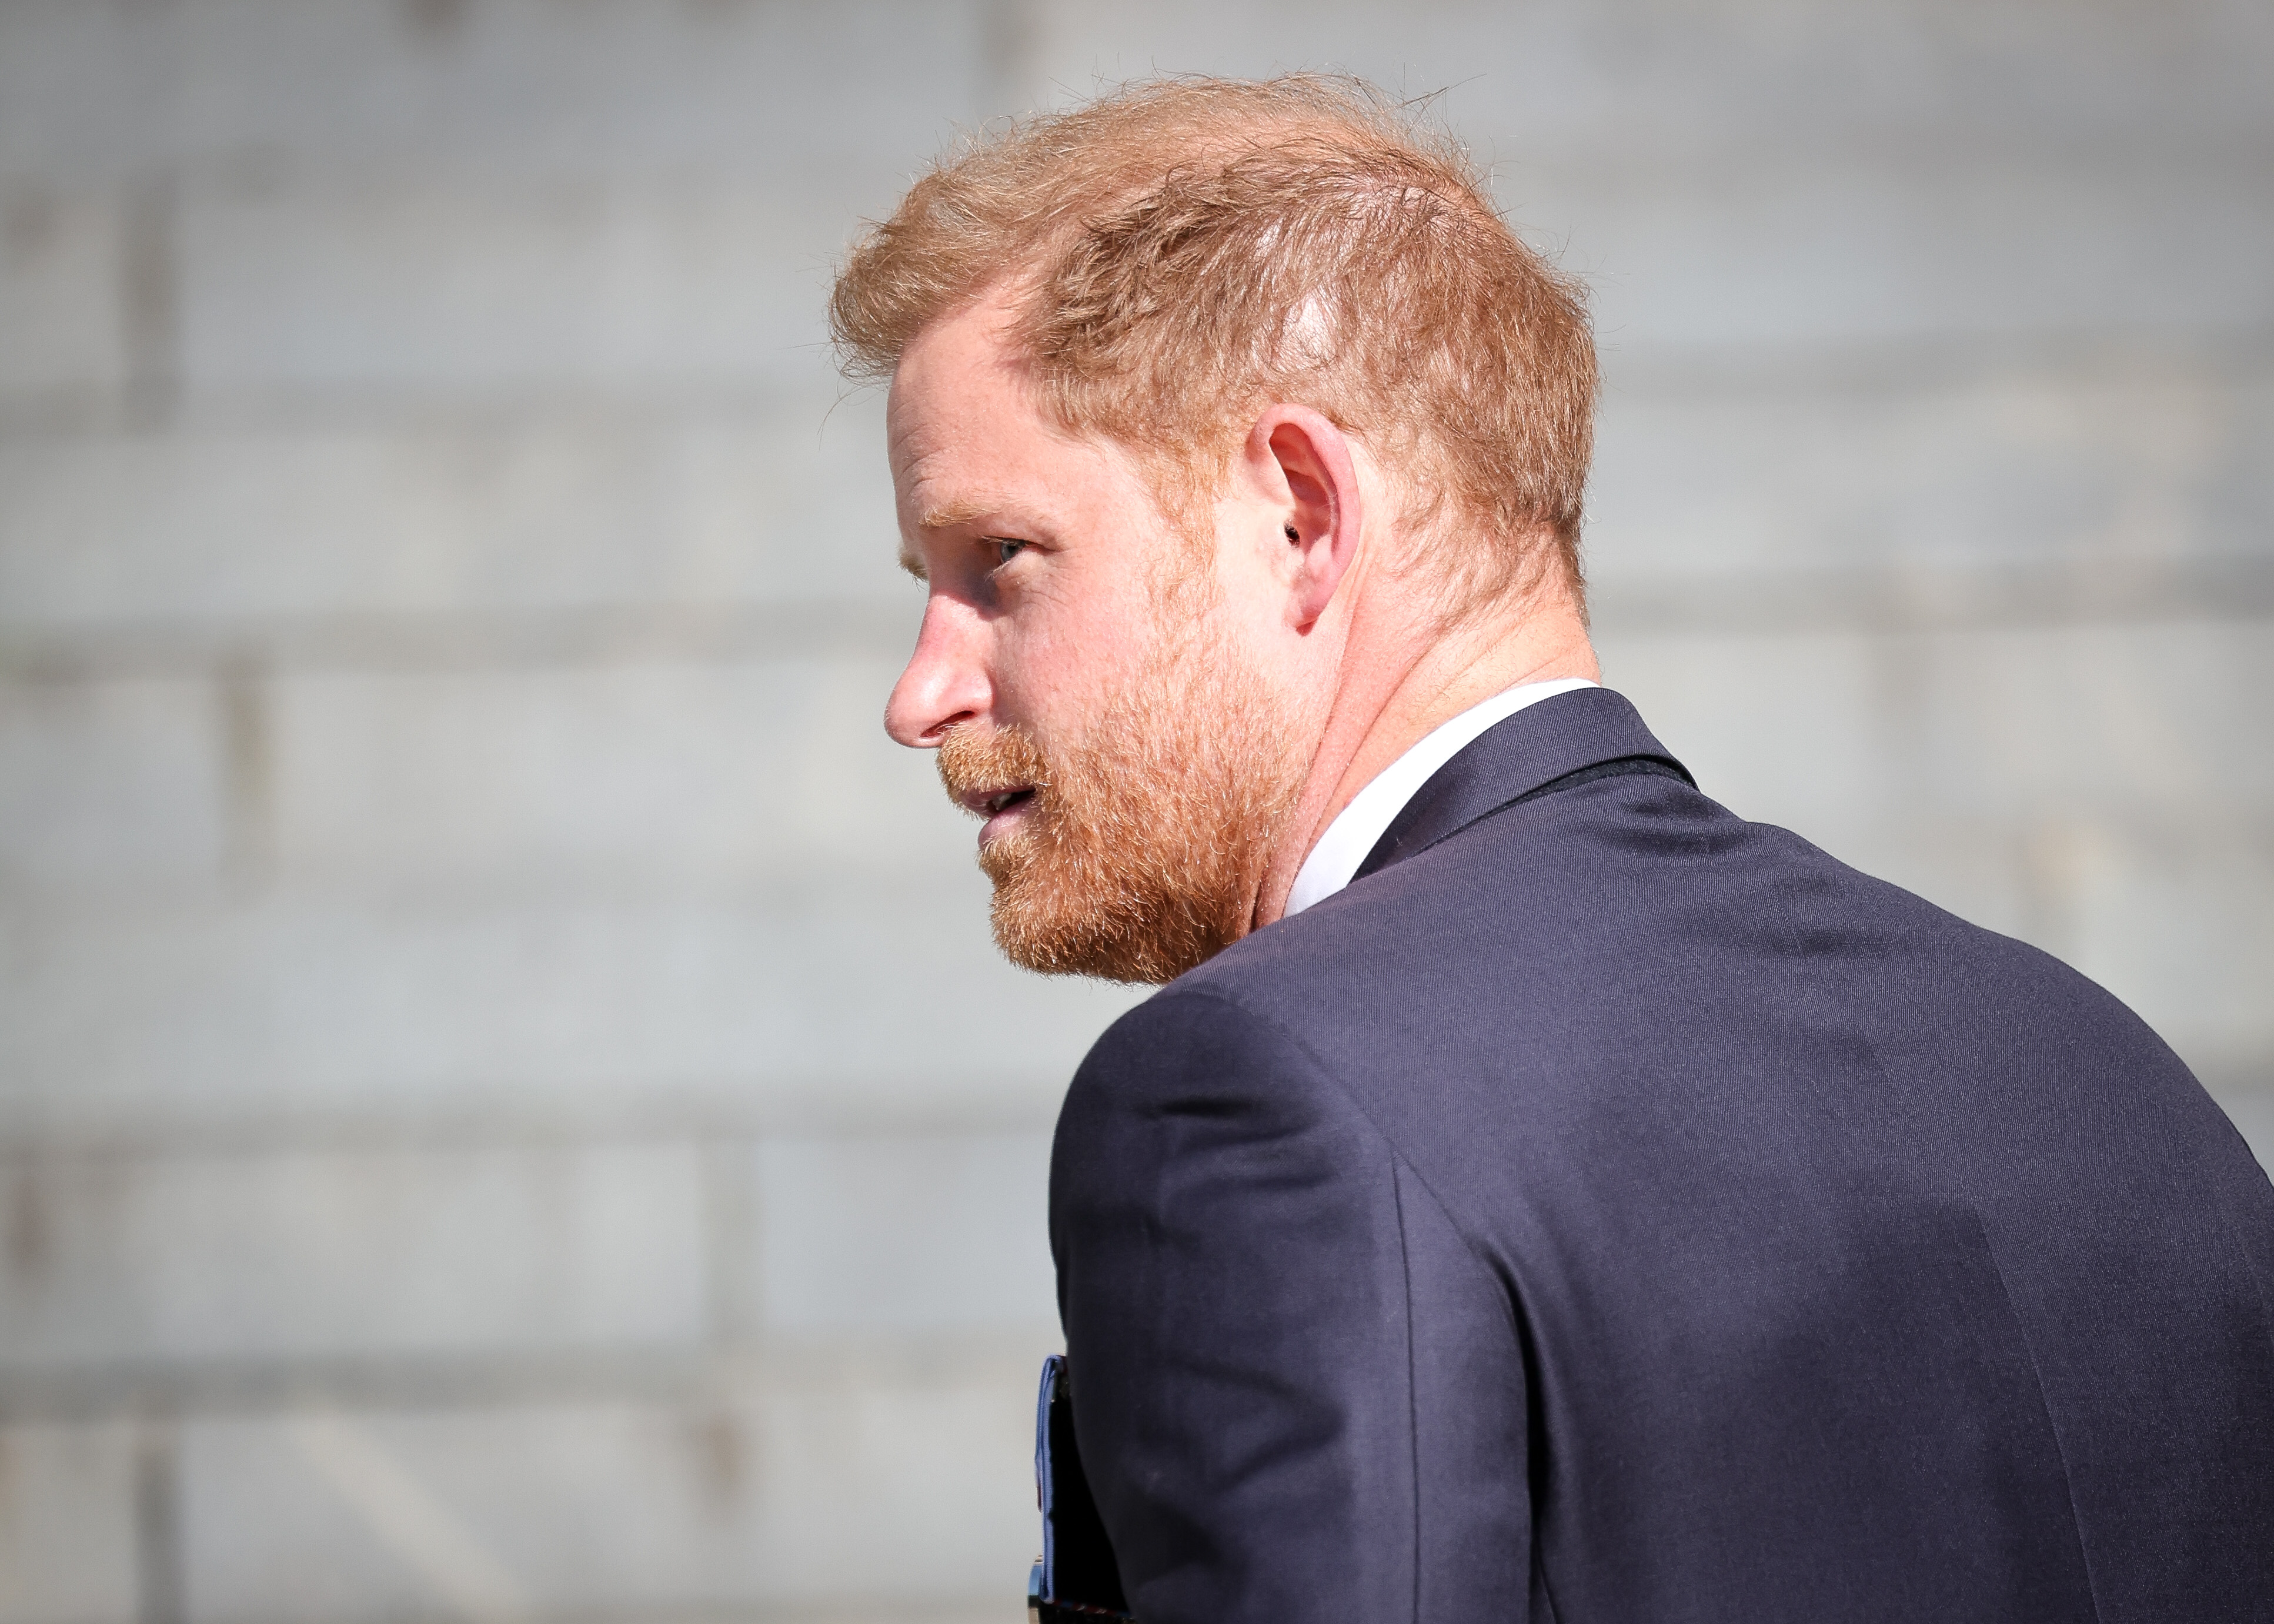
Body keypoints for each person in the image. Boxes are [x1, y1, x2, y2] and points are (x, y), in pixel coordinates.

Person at [830, 75, 2274, 1624]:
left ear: (1303, 517)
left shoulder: (1257, 1095)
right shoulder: (2097, 1069)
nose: (925, 695)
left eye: (1000, 561)